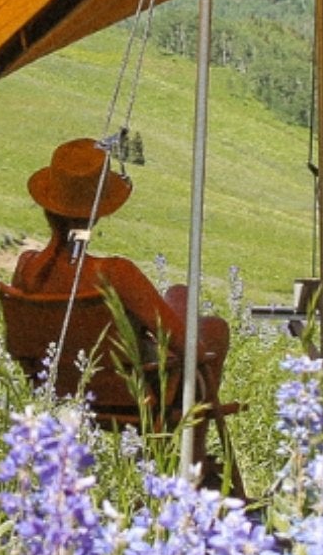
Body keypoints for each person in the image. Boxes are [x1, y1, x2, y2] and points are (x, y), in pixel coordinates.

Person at [14, 138, 229, 405]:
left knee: (179, 293)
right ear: (97, 213)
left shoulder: (27, 268)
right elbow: (190, 351)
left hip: (57, 385)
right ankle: (191, 443)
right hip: (132, 396)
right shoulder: (115, 274)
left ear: (48, 207)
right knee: (214, 328)